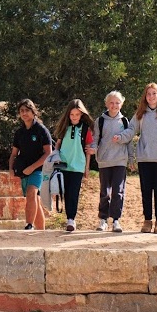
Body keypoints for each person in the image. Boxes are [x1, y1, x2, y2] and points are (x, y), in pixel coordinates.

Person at [116, 83, 157, 234]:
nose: (151, 96)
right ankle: (147, 221)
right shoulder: (140, 114)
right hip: (144, 157)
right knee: (146, 190)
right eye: (148, 94)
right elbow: (131, 130)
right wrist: (120, 137)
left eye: (154, 93)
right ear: (145, 97)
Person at [89, 91, 132, 233]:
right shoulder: (100, 121)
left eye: (117, 103)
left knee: (118, 191)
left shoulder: (125, 121)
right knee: (104, 192)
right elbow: (95, 139)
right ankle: (103, 219)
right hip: (104, 161)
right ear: (106, 104)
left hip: (120, 161)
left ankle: (116, 220)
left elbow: (129, 141)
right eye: (111, 103)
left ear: (122, 104)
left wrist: (131, 159)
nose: (114, 105)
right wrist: (93, 149)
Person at [9, 99, 52, 230]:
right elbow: (14, 154)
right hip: (24, 170)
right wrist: (11, 168)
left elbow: (48, 153)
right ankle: (41, 232)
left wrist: (32, 167)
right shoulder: (19, 132)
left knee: (31, 192)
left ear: (33, 112)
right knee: (35, 199)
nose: (24, 113)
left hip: (39, 169)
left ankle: (29, 224)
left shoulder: (41, 130)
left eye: (27, 110)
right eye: (21, 111)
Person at [53, 99, 95, 232]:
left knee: (74, 192)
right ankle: (68, 218)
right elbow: (58, 144)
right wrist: (55, 157)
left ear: (81, 114)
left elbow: (88, 149)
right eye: (72, 114)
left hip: (78, 165)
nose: (74, 117)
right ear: (68, 114)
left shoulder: (86, 129)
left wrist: (87, 167)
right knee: (65, 192)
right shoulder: (64, 127)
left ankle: (72, 219)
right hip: (64, 164)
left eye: (77, 114)